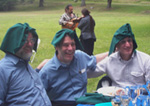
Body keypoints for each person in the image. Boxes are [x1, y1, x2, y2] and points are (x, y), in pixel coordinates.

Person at [39, 29, 108, 106]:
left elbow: (94, 59)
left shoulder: (80, 56)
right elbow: (39, 97)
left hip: (84, 102)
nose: (70, 48)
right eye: (66, 45)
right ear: (56, 47)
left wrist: (112, 51)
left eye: (73, 44)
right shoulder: (47, 71)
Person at [0, 23, 52, 106]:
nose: (30, 44)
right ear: (14, 42)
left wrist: (38, 69)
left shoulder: (24, 64)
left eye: (32, 40)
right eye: (24, 41)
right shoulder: (3, 69)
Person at [87, 23, 150, 88]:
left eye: (129, 40)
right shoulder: (110, 60)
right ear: (116, 45)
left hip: (140, 96)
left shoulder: (145, 60)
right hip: (117, 96)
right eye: (123, 42)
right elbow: (89, 73)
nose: (128, 45)